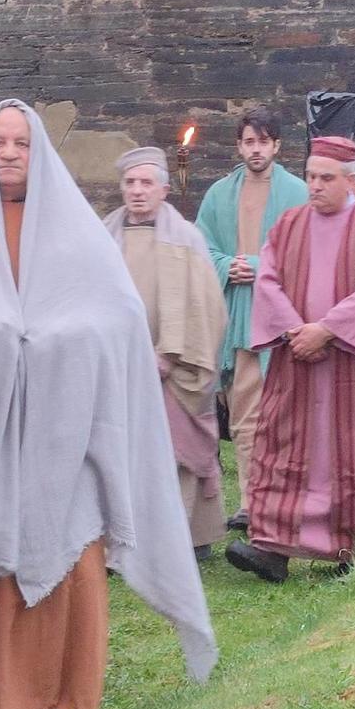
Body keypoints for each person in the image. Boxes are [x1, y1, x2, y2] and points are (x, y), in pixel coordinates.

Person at [0, 102, 217, 709]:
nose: (6, 153)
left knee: (71, 560)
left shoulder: (76, 232)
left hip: (65, 435)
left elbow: (113, 317)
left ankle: (65, 697)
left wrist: (49, 341)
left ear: (40, 154)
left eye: (20, 143)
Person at [228, 135, 355, 583]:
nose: (314, 186)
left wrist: (326, 330)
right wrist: (296, 331)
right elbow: (267, 281)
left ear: (352, 182)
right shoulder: (288, 225)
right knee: (284, 443)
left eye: (326, 178)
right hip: (297, 362)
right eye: (310, 176)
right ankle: (273, 546)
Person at [103, 147, 230, 559]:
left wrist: (171, 357)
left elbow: (208, 308)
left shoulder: (188, 240)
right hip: (118, 369)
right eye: (130, 183)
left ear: (163, 189)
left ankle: (185, 541)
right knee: (118, 455)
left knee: (177, 455)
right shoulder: (104, 237)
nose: (137, 192)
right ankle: (122, 541)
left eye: (146, 184)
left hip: (172, 371)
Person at [194, 108, 308, 529]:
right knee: (244, 416)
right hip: (238, 318)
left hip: (281, 321)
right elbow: (200, 245)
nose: (255, 150)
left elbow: (306, 251)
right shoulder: (219, 194)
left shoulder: (297, 193)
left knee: (283, 417)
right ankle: (249, 501)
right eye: (248, 142)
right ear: (239, 146)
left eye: (263, 142)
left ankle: (281, 501)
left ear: (277, 145)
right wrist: (227, 267)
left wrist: (260, 265)